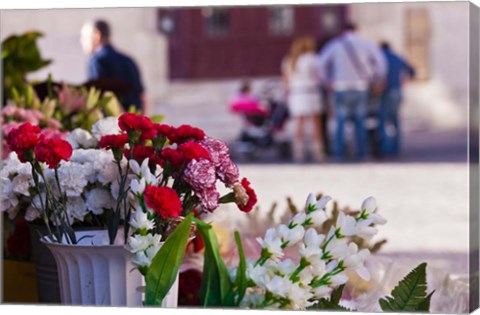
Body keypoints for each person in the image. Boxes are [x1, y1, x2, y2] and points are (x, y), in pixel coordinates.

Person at [317, 23, 387, 160]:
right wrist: (378, 78)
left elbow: (321, 63)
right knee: (361, 121)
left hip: (341, 87)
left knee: (340, 122)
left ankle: (339, 154)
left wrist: (327, 81)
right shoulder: (366, 44)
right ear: (356, 30)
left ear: (343, 31)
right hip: (361, 86)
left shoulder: (335, 45)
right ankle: (361, 153)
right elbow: (380, 62)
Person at [80, 20, 148, 113]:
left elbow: (101, 97)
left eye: (84, 37)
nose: (82, 41)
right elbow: (143, 96)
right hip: (135, 122)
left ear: (97, 35)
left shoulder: (97, 61)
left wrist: (122, 122)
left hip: (114, 124)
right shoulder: (128, 60)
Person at [282, 36, 325, 162]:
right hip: (311, 91)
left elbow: (286, 81)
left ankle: (298, 151)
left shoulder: (289, 61)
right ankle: (318, 151)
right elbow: (320, 76)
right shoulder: (313, 59)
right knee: (316, 122)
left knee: (299, 122)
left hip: (296, 93)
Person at [378, 41, 415, 156]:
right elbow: (412, 71)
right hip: (397, 91)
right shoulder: (397, 57)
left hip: (385, 92)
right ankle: (396, 148)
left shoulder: (380, 58)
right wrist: (404, 81)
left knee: (383, 121)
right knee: (395, 121)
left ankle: (384, 149)